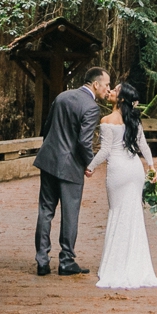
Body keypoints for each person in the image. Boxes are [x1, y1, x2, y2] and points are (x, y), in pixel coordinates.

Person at [85, 81, 157, 289]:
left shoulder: (107, 120)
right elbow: (143, 145)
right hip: (135, 170)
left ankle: (115, 265)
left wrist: (90, 167)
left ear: (120, 98)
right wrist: (151, 167)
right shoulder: (134, 120)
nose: (110, 91)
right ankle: (136, 264)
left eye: (115, 90)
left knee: (117, 213)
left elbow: (105, 151)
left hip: (118, 171)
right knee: (134, 216)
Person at [32, 66, 110, 276]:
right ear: (95, 84)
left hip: (48, 160)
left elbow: (47, 128)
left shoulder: (62, 97)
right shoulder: (91, 107)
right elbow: (84, 142)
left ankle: (42, 260)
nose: (107, 89)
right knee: (70, 213)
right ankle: (66, 260)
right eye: (106, 85)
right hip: (71, 167)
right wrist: (90, 164)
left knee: (45, 211)